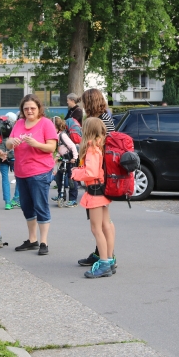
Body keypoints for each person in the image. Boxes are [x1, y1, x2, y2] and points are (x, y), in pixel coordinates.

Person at [6, 94, 58, 255]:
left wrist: (36, 144)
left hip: (40, 171)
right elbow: (8, 143)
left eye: (32, 108)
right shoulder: (19, 123)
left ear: (39, 108)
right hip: (21, 171)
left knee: (40, 206)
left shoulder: (46, 123)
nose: (29, 111)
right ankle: (32, 239)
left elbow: (52, 147)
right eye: (26, 108)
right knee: (27, 207)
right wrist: (11, 142)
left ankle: (44, 242)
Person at [72, 118, 116, 278]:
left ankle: (104, 264)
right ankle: (110, 259)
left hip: (95, 191)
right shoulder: (101, 145)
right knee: (106, 225)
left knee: (96, 229)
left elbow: (91, 172)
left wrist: (75, 173)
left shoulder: (91, 148)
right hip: (103, 189)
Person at [0, 116, 21, 210]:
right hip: (13, 158)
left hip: (1, 157)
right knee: (19, 178)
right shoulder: (14, 130)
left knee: (5, 179)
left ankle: (7, 203)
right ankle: (16, 198)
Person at [52, 116, 79, 207]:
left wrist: (75, 158)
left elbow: (72, 146)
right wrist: (57, 157)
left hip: (71, 160)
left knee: (71, 180)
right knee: (59, 178)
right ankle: (61, 196)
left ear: (56, 127)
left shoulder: (62, 135)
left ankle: (73, 200)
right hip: (64, 159)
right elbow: (61, 149)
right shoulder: (56, 136)